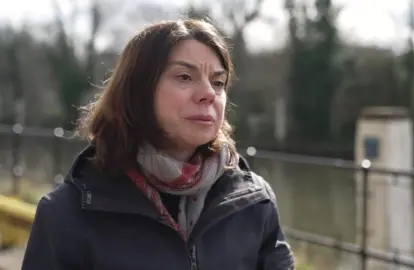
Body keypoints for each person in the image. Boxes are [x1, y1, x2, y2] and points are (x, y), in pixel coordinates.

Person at [21, 18, 294, 270]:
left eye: (218, 82)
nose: (209, 94)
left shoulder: (254, 201)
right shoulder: (66, 215)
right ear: (137, 92)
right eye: (185, 77)